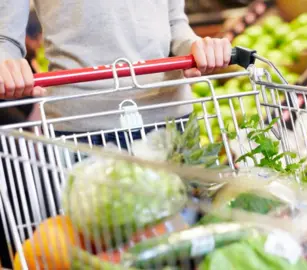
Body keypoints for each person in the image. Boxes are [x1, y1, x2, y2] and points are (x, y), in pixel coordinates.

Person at [0, 0, 232, 267]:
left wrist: (197, 47)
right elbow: (5, 38)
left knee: (190, 259)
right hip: (83, 134)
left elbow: (175, 25)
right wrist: (6, 63)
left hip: (170, 121)